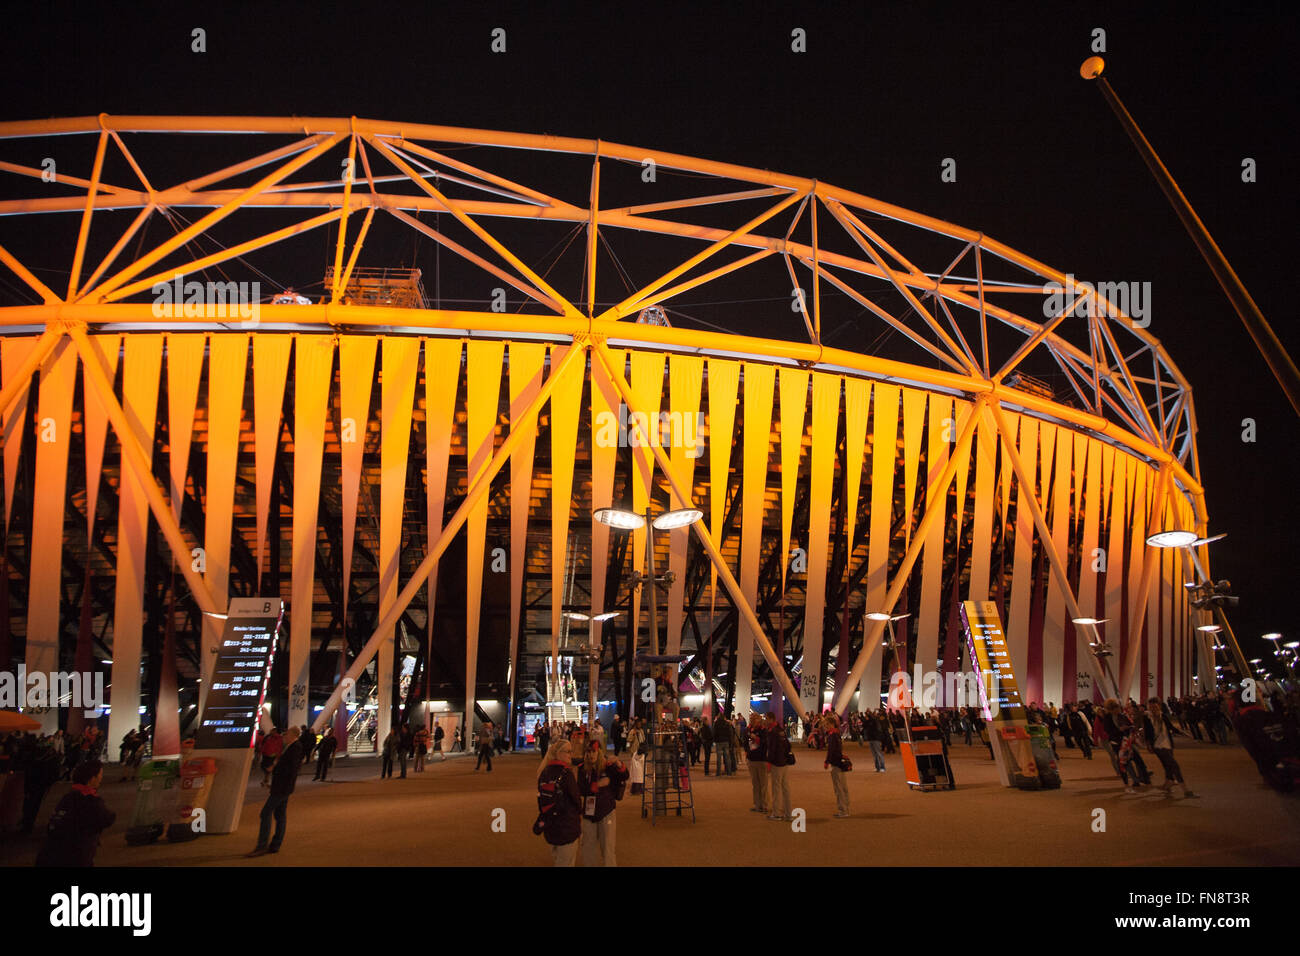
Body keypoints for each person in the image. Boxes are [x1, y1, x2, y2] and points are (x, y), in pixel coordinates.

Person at [36, 759, 116, 867]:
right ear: (92, 779)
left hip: (52, 853)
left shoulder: (68, 797)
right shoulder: (90, 800)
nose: (101, 778)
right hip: (75, 854)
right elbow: (106, 818)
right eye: (100, 775)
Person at [248, 727, 303, 856]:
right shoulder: (290, 747)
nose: (284, 735)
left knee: (266, 813)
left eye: (287, 733)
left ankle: (262, 845)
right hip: (282, 787)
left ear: (294, 735)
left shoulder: (295, 747)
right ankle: (275, 844)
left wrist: (277, 770)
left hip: (282, 788)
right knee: (280, 815)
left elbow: (292, 768)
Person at [576, 739, 629, 866]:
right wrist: (596, 785)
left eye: (593, 751)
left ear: (599, 752)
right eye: (588, 752)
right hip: (589, 814)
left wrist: (618, 763)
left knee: (608, 848)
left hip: (607, 811)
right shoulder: (582, 768)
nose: (591, 755)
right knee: (588, 848)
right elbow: (581, 789)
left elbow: (624, 776)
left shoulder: (608, 766)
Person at [534, 739, 582, 866]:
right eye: (568, 752)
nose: (570, 755)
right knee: (566, 861)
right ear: (559, 753)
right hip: (566, 825)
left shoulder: (544, 772)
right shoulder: (566, 773)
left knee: (558, 858)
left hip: (551, 825)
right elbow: (576, 799)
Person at [1144, 698, 1194, 797]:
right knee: (1174, 765)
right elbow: (1147, 733)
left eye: (1155, 706)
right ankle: (1185, 789)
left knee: (1168, 766)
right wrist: (1148, 744)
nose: (1153, 708)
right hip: (1158, 745)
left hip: (1168, 744)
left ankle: (1168, 784)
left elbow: (1171, 727)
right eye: (1151, 706)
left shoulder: (1163, 716)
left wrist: (1182, 733)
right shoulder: (1147, 718)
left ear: (1159, 706)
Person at [765, 713, 794, 822]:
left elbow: (772, 749)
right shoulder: (781, 730)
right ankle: (788, 813)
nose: (765, 720)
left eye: (767, 719)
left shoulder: (772, 732)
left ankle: (776, 813)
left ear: (772, 719)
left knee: (776, 789)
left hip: (776, 763)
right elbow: (788, 745)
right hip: (784, 762)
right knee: (785, 788)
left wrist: (769, 762)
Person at [824, 713, 852, 817]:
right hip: (839, 762)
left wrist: (827, 761)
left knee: (838, 788)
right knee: (843, 787)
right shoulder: (837, 734)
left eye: (827, 724)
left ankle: (843, 810)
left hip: (836, 764)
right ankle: (846, 808)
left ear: (831, 724)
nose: (825, 726)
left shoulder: (832, 735)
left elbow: (831, 751)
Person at [745, 712, 769, 813]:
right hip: (752, 759)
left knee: (763, 784)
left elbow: (765, 744)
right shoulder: (748, 730)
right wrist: (747, 753)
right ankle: (757, 804)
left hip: (761, 760)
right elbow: (745, 742)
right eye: (752, 719)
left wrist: (756, 738)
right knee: (755, 784)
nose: (753, 720)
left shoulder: (763, 731)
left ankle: (764, 805)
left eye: (755, 719)